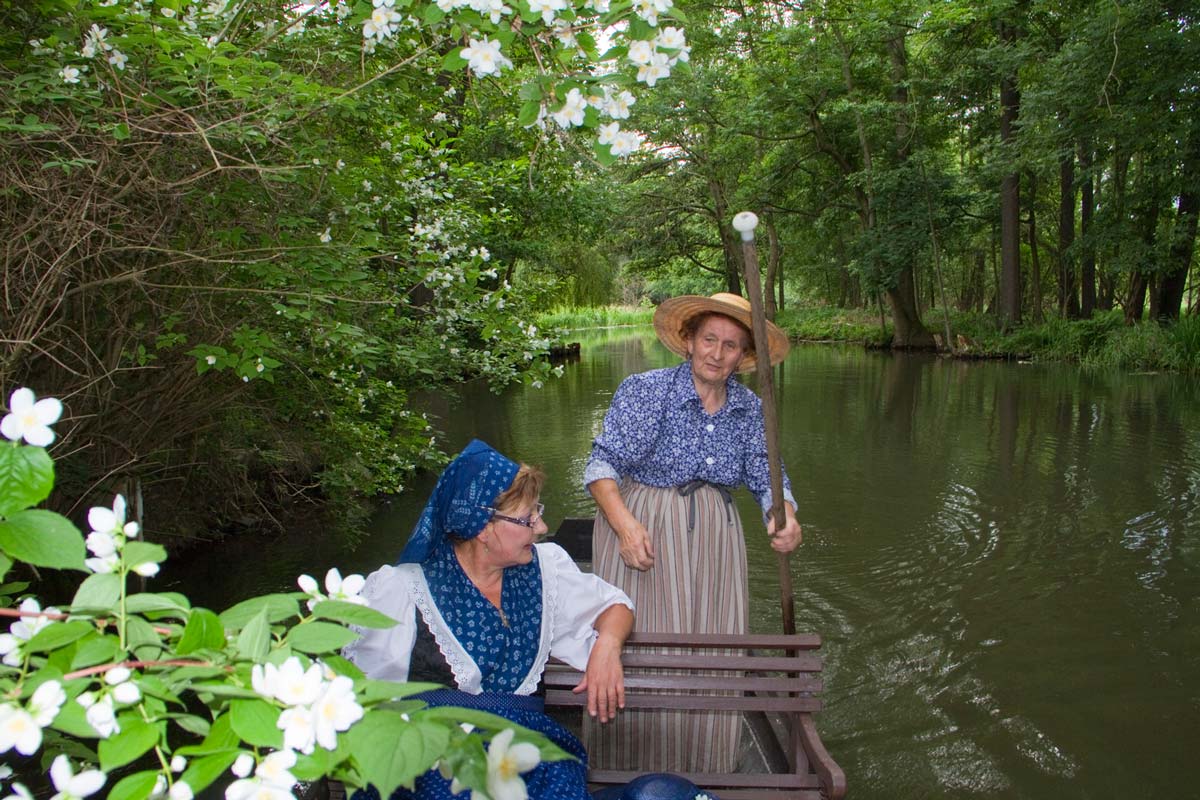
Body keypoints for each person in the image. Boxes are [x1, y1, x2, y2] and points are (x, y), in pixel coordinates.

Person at [345, 439, 717, 800]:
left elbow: (615, 606)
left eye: (537, 512)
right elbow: (366, 700)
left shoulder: (544, 570)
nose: (541, 527)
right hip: (442, 758)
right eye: (528, 517)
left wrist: (607, 645)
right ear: (482, 527)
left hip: (528, 754)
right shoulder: (403, 590)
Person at [582, 292, 803, 774]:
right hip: (643, 527)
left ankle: (704, 765)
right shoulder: (646, 390)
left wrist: (781, 513)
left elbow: (768, 474)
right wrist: (624, 524)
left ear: (744, 356)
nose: (717, 354)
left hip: (715, 539)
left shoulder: (751, 408)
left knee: (712, 650)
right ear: (688, 340)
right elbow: (602, 464)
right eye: (709, 339)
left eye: (731, 345)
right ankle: (626, 767)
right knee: (646, 643)